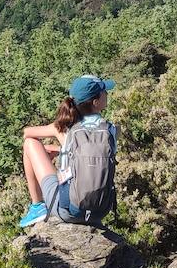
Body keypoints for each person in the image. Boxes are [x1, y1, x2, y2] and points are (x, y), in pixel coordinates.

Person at [18, 75, 119, 228]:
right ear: (96, 102)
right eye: (104, 91)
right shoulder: (111, 130)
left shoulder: (64, 128)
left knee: (30, 144)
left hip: (69, 211)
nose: (107, 94)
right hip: (101, 211)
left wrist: (57, 150)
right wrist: (62, 150)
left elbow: (27, 133)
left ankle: (37, 206)